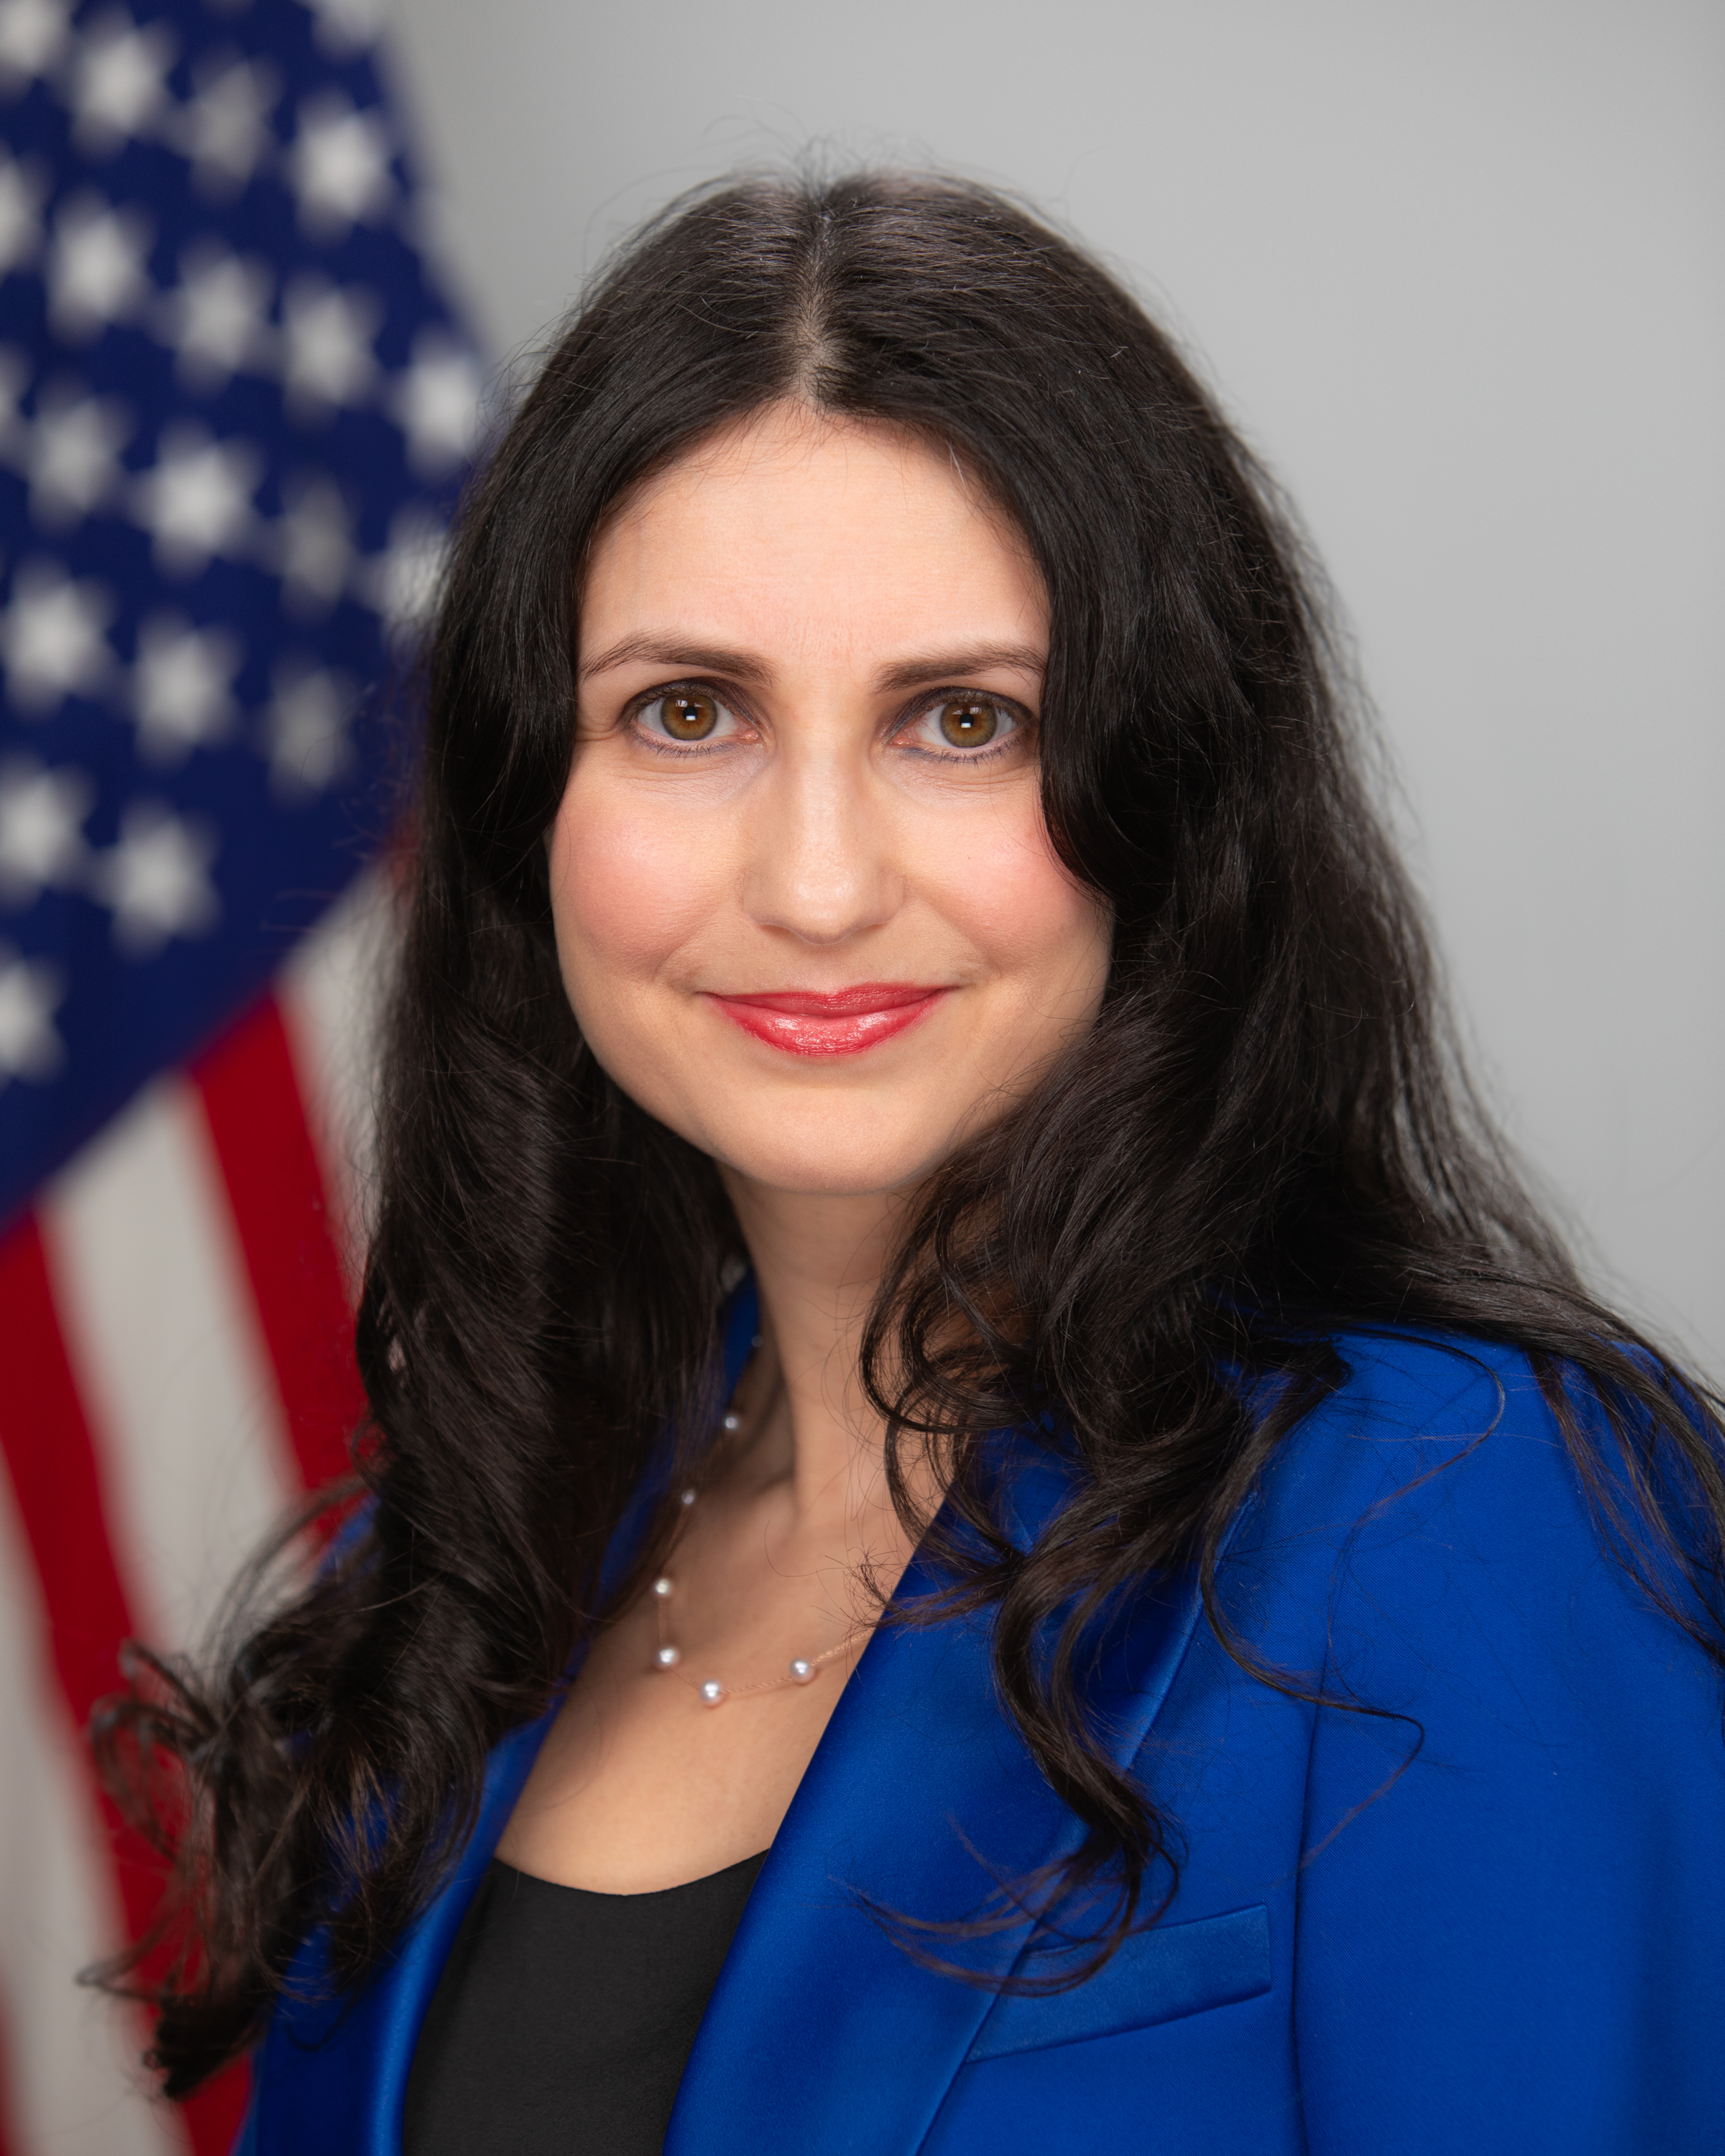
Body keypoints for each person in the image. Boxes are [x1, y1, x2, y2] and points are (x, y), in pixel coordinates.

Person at [98, 173, 1725, 2155]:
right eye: (687, 713)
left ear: (1169, 792)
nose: (814, 884)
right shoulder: (451, 1573)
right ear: (533, 811)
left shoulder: (1458, 1513)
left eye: (963, 722)